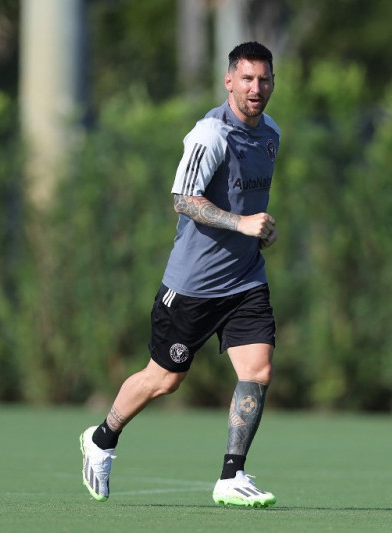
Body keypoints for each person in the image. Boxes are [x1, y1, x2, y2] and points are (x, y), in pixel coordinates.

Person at [80, 41, 280, 508]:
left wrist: (259, 230)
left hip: (245, 279)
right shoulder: (209, 134)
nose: (256, 88)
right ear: (229, 80)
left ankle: (232, 475)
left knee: (259, 369)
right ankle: (102, 438)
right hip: (192, 286)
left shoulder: (270, 133)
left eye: (264, 79)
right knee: (164, 379)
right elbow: (184, 199)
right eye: (247, 78)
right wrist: (241, 224)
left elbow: (244, 202)